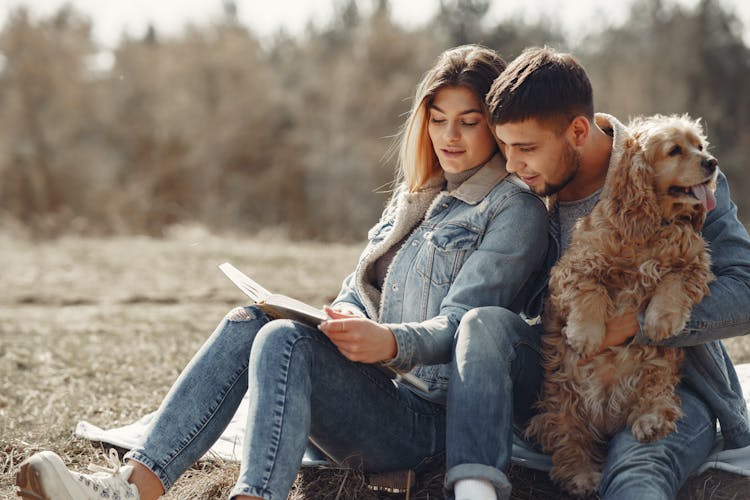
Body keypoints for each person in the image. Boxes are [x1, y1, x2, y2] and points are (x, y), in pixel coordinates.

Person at [15, 44, 549, 500]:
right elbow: (360, 289)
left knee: (282, 343)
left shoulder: (513, 211)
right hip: (372, 389)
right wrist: (343, 316)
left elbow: (463, 328)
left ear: (496, 127)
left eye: (468, 122)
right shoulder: (416, 198)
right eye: (437, 120)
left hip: (428, 417)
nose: (449, 136)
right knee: (252, 322)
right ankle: (131, 486)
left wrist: (386, 341)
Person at [448, 46, 750, 500]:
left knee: (636, 469)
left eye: (526, 149)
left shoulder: (681, 178)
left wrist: (639, 326)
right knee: (484, 325)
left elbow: (744, 289)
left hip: (671, 384)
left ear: (576, 130)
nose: (512, 165)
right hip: (567, 378)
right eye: (505, 149)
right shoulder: (523, 195)